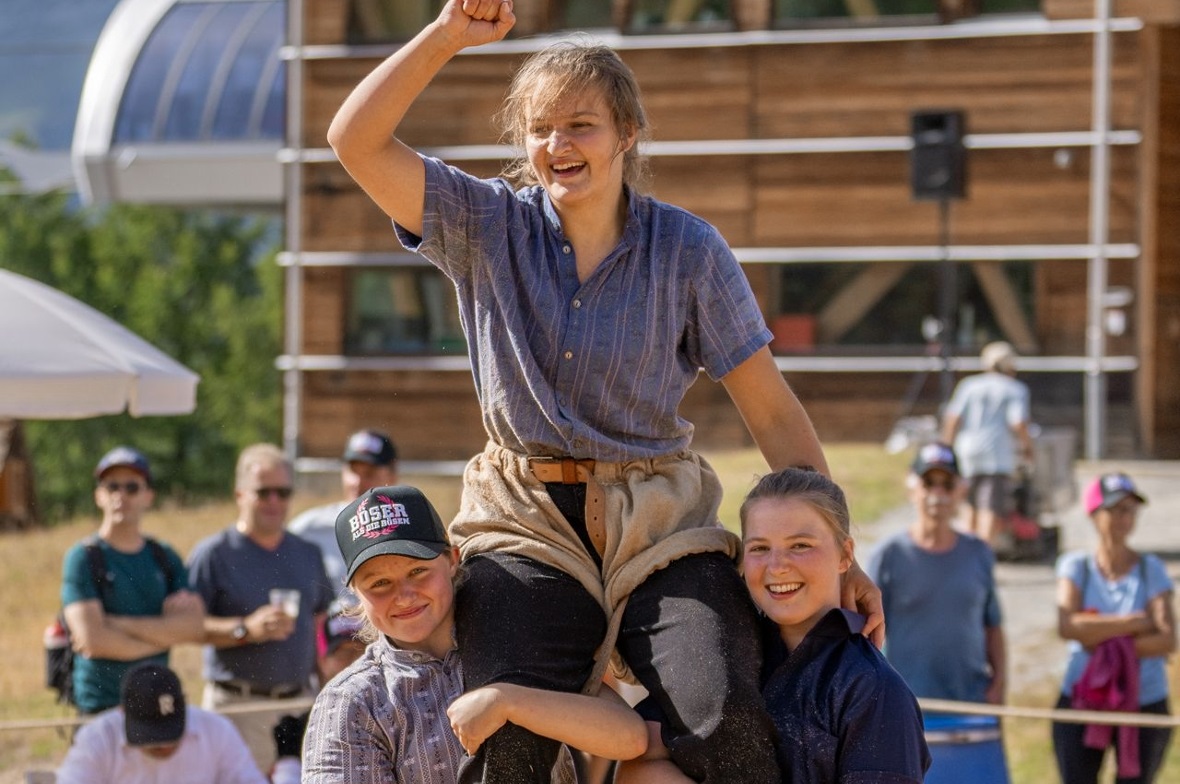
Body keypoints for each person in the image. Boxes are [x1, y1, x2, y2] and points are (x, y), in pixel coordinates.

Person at [327, 2, 881, 780]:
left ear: (627, 135)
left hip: (658, 518)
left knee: (724, 719)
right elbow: (353, 141)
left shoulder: (688, 250)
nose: (559, 146)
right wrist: (449, 33)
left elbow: (770, 407)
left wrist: (837, 548)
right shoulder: (486, 224)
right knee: (507, 733)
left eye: (581, 125)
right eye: (542, 129)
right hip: (523, 519)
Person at [301, 484, 648, 783]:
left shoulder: (513, 638)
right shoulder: (353, 703)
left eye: (419, 570)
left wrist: (508, 701)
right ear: (355, 595)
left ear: (453, 560)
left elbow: (628, 737)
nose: (404, 594)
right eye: (380, 583)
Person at [617, 468, 930, 784]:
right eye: (760, 548)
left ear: (845, 556)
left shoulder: (872, 689)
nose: (777, 567)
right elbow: (637, 768)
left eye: (800, 546)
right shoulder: (720, 656)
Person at [186, 443, 333, 772]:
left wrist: (328, 687)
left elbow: (321, 622)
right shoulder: (213, 554)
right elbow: (187, 626)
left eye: (283, 492)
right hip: (236, 707)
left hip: (299, 706)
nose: (275, 502)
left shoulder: (307, 553)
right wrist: (244, 630)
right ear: (240, 494)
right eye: (264, 492)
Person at [865, 442, 1008, 781]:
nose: (938, 494)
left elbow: (993, 626)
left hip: (969, 706)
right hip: (908, 711)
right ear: (912, 486)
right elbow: (865, 633)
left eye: (947, 484)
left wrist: (998, 686)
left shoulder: (978, 554)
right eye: (929, 483)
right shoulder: (889, 555)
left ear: (961, 490)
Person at [1052, 472, 1176, 784]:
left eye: (1130, 510)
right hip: (1083, 698)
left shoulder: (1151, 569)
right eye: (1116, 509)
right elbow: (1068, 625)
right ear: (1095, 515)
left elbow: (1166, 638)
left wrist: (1101, 642)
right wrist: (1135, 624)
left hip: (1144, 699)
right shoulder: (1076, 567)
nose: (1124, 518)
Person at [60, 446, 203, 715]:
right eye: (112, 486)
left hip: (155, 704)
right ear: (98, 495)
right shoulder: (82, 557)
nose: (120, 496)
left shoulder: (164, 555)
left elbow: (194, 627)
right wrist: (164, 637)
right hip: (100, 706)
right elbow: (93, 640)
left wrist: (116, 623)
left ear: (148, 496)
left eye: (131, 487)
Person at [56, 662, 266, 784]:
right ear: (122, 713)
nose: (165, 746)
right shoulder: (97, 738)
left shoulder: (217, 731)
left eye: (171, 734)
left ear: (185, 706)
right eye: (153, 738)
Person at [941, 340, 1034, 547]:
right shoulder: (1015, 389)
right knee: (990, 508)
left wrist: (946, 446)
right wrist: (1028, 447)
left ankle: (964, 555)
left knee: (968, 506)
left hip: (967, 452)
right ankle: (981, 557)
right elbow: (1018, 422)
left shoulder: (969, 385)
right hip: (997, 455)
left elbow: (953, 417)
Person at [288, 428, 399, 599]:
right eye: (353, 471)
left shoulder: (405, 528)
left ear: (392, 476)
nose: (357, 482)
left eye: (369, 473)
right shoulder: (308, 529)